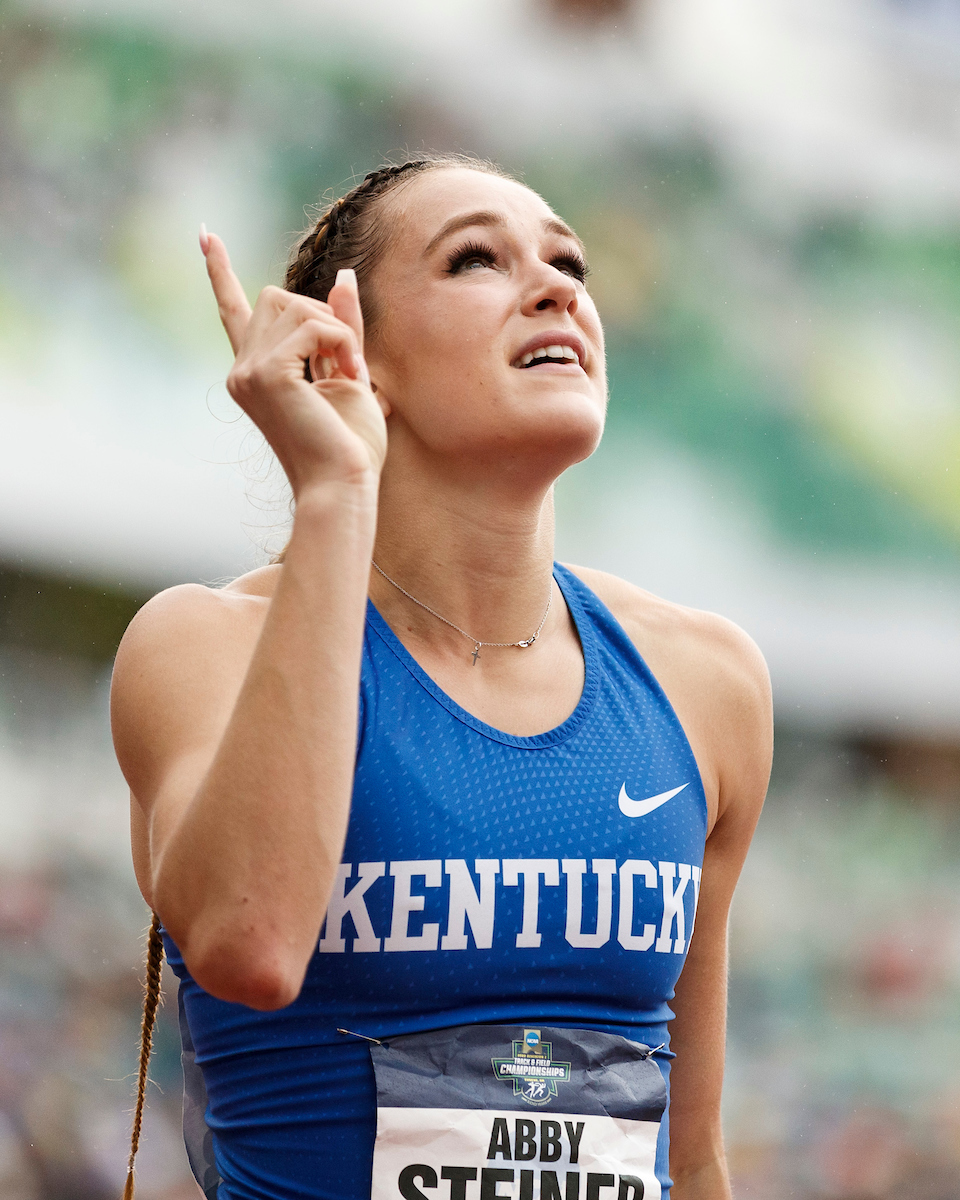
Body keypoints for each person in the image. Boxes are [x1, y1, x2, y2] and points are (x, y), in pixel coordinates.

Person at [111, 154, 772, 1200]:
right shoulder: (202, 647)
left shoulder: (706, 682)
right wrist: (333, 490)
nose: (557, 287)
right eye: (477, 259)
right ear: (356, 353)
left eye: (568, 262)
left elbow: (691, 1160)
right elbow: (252, 946)